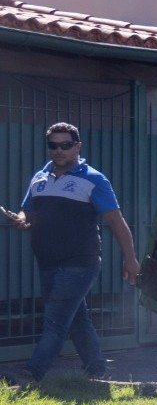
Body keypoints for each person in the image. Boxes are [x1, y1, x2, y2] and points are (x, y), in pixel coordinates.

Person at [4, 123, 140, 383]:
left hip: (80, 263)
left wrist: (131, 258)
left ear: (78, 146)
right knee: (77, 319)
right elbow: (28, 213)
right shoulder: (39, 178)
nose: (59, 151)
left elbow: (116, 221)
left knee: (55, 321)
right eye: (53, 146)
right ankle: (97, 370)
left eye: (66, 145)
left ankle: (31, 374)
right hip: (47, 262)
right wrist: (19, 219)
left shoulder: (93, 179)